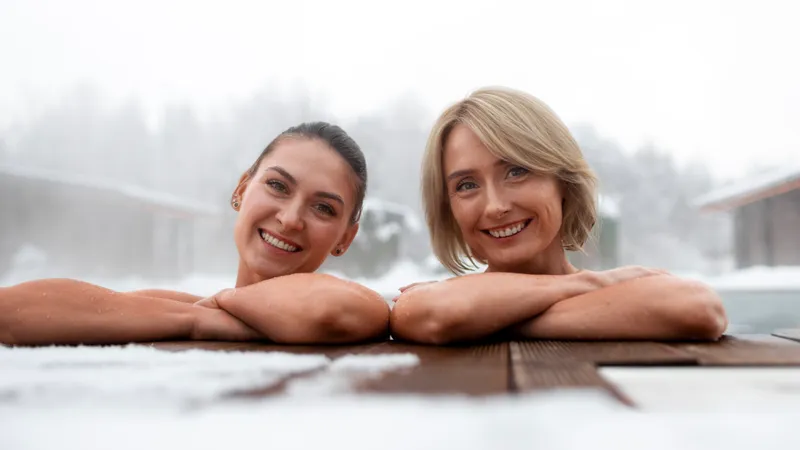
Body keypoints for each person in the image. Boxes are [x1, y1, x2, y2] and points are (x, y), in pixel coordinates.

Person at [0, 122, 390, 345]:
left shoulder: (359, 308)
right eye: (278, 186)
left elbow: (330, 312)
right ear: (241, 189)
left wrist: (208, 316)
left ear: (346, 237)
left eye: (323, 208)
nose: (290, 219)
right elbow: (11, 311)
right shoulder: (185, 305)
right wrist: (202, 316)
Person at [390, 87, 728, 344]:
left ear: (563, 182)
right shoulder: (603, 288)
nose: (494, 206)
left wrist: (488, 318)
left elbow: (698, 308)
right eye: (466, 185)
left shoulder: (455, 303)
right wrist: (588, 284)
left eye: (516, 171)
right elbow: (424, 314)